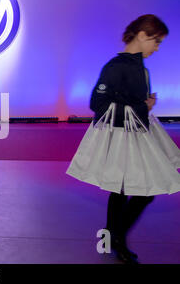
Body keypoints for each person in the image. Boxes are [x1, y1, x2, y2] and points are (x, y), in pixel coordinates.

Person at [89, 14, 170, 263]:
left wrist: (144, 106)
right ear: (143, 35)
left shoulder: (140, 69)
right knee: (128, 191)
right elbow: (97, 103)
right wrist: (142, 107)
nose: (157, 48)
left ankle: (116, 236)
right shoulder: (116, 67)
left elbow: (132, 104)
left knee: (127, 191)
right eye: (156, 42)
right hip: (122, 137)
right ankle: (117, 237)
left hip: (136, 136)